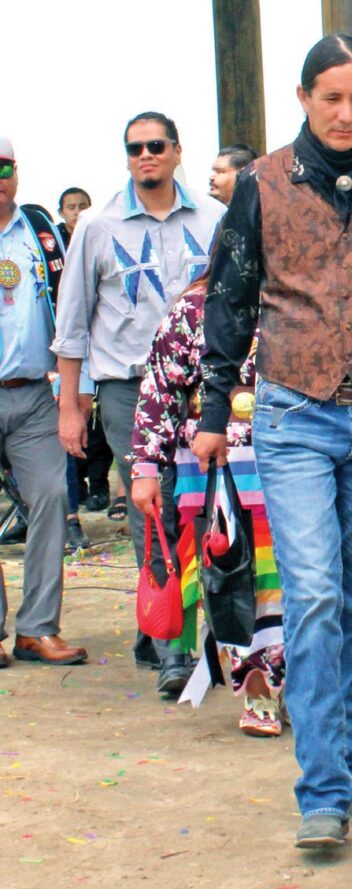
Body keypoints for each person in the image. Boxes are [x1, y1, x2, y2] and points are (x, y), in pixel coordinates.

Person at [193, 34, 352, 848]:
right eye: (330, 97)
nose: (345, 113)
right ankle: (323, 789)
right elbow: (229, 297)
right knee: (313, 595)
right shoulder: (264, 182)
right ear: (303, 98)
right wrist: (208, 410)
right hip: (294, 413)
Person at [52, 111, 225, 696]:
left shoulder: (216, 219)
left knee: (212, 512)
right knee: (157, 510)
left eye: (155, 146)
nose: (145, 156)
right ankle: (170, 643)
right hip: (128, 390)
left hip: (207, 389)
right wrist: (70, 407)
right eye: (134, 149)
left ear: (177, 151)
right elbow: (71, 323)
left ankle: (200, 633)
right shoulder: (97, 229)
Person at [130, 272, 286, 736]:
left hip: (302, 459)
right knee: (239, 581)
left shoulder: (305, 304)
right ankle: (258, 693)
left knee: (306, 577)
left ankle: (303, 687)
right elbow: (160, 390)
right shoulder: (195, 309)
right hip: (220, 467)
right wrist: (145, 468)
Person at [0, 135, 88, 667]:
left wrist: (72, 393)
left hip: (33, 393)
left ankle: (35, 629)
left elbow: (70, 308)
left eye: (4, 166)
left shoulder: (42, 233)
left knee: (52, 497)